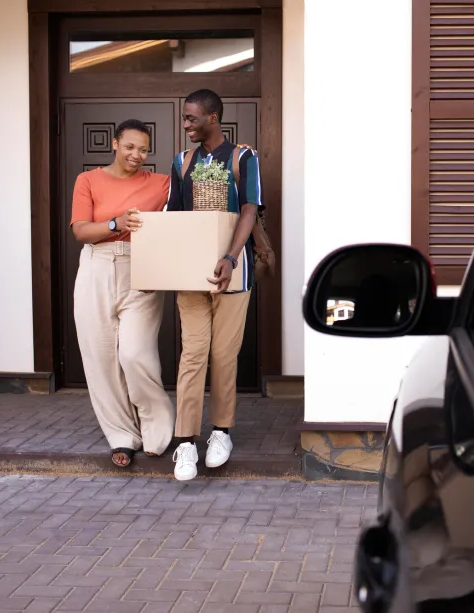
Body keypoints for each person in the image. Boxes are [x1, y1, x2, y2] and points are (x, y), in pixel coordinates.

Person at [165, 89, 262, 479]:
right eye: (184, 118)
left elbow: (250, 207)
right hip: (190, 273)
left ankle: (221, 432)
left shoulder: (243, 157)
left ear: (213, 117)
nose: (185, 124)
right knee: (193, 354)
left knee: (223, 355)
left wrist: (229, 257)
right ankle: (185, 441)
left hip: (234, 272)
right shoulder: (182, 161)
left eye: (191, 118)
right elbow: (174, 215)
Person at [70, 119, 175, 468]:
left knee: (134, 353)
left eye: (143, 149)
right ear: (115, 144)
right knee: (101, 359)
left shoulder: (160, 183)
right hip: (96, 267)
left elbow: (196, 183)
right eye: (130, 146)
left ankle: (158, 431)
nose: (137, 154)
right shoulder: (88, 180)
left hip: (140, 269)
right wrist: (116, 223)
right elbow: (82, 231)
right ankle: (122, 436)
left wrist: (236, 157)